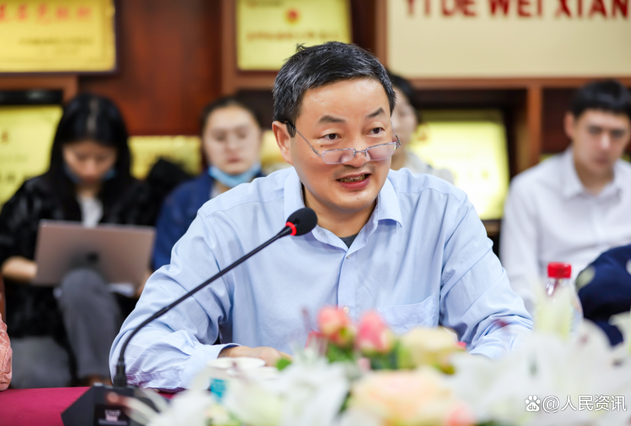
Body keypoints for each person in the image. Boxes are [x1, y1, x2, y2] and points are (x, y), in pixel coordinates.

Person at [110, 42, 532, 391]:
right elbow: (136, 348)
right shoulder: (231, 223)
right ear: (284, 140)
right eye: (332, 137)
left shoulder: (441, 212)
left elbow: (509, 328)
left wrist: (451, 384)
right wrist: (232, 361)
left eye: (375, 131)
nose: (358, 156)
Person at [0, 94, 152, 388]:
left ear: (118, 153)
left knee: (81, 282)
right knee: (37, 380)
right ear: (61, 149)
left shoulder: (138, 196)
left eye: (102, 158)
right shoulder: (34, 193)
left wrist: (144, 278)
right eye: (80, 157)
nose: (90, 168)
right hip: (41, 319)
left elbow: (152, 264)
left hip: (113, 317)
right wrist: (48, 271)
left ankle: (101, 385)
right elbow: (5, 258)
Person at [500, 80, 631, 315]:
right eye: (594, 130)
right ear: (570, 125)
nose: (605, 144)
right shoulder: (529, 190)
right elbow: (520, 284)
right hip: (561, 319)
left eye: (617, 133)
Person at [152, 96, 264, 270]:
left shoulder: (284, 195)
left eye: (242, 135)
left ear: (260, 137)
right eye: (219, 138)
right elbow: (166, 267)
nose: (232, 146)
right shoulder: (181, 200)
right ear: (203, 143)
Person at [387, 71, 454, 184]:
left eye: (403, 113)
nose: (395, 125)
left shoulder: (438, 181)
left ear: (416, 120)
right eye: (383, 114)